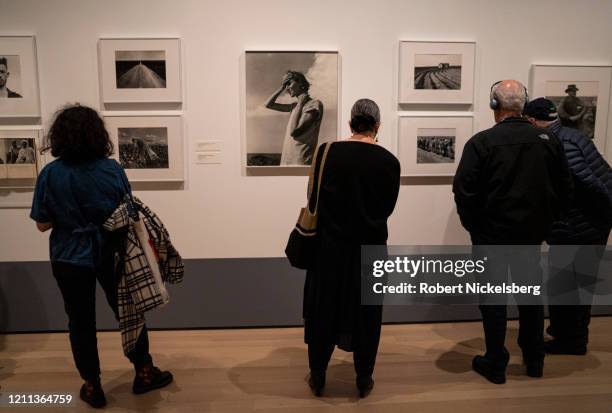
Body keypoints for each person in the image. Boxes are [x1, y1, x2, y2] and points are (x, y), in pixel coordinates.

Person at [30, 105, 172, 409]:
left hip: (68, 257)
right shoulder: (112, 169)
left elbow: (42, 224)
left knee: (80, 321)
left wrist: (68, 216)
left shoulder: (50, 173)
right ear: (97, 134)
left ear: (59, 135)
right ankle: (144, 372)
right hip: (113, 253)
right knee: (129, 313)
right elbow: (127, 210)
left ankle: (92, 386)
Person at [453, 80, 573, 384]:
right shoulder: (548, 140)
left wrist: (476, 229)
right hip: (530, 238)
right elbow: (565, 189)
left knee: (493, 300)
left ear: (495, 106)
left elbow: (463, 193)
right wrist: (545, 225)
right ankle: (534, 360)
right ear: (524, 104)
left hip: (490, 239)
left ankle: (496, 363)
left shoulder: (481, 143)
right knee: (530, 297)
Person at [303, 99, 400, 398]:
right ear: (377, 126)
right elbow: (386, 208)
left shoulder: (325, 153)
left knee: (324, 309)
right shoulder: (389, 161)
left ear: (350, 123)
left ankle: (318, 375)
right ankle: (363, 377)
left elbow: (312, 198)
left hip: (328, 248)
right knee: (367, 313)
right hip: (370, 250)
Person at [524, 97, 612, 355]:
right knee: (577, 284)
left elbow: (589, 183)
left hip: (580, 226)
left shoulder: (558, 143)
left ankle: (571, 341)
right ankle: (568, 332)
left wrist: (601, 215)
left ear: (532, 121)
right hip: (589, 224)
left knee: (566, 285)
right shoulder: (573, 135)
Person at [265, 70, 323, 166]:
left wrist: (300, 103)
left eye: (288, 83)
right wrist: (282, 87)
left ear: (300, 82)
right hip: (287, 159)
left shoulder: (314, 104)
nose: (287, 88)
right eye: (285, 85)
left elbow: (294, 132)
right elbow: (268, 105)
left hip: (301, 161)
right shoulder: (294, 106)